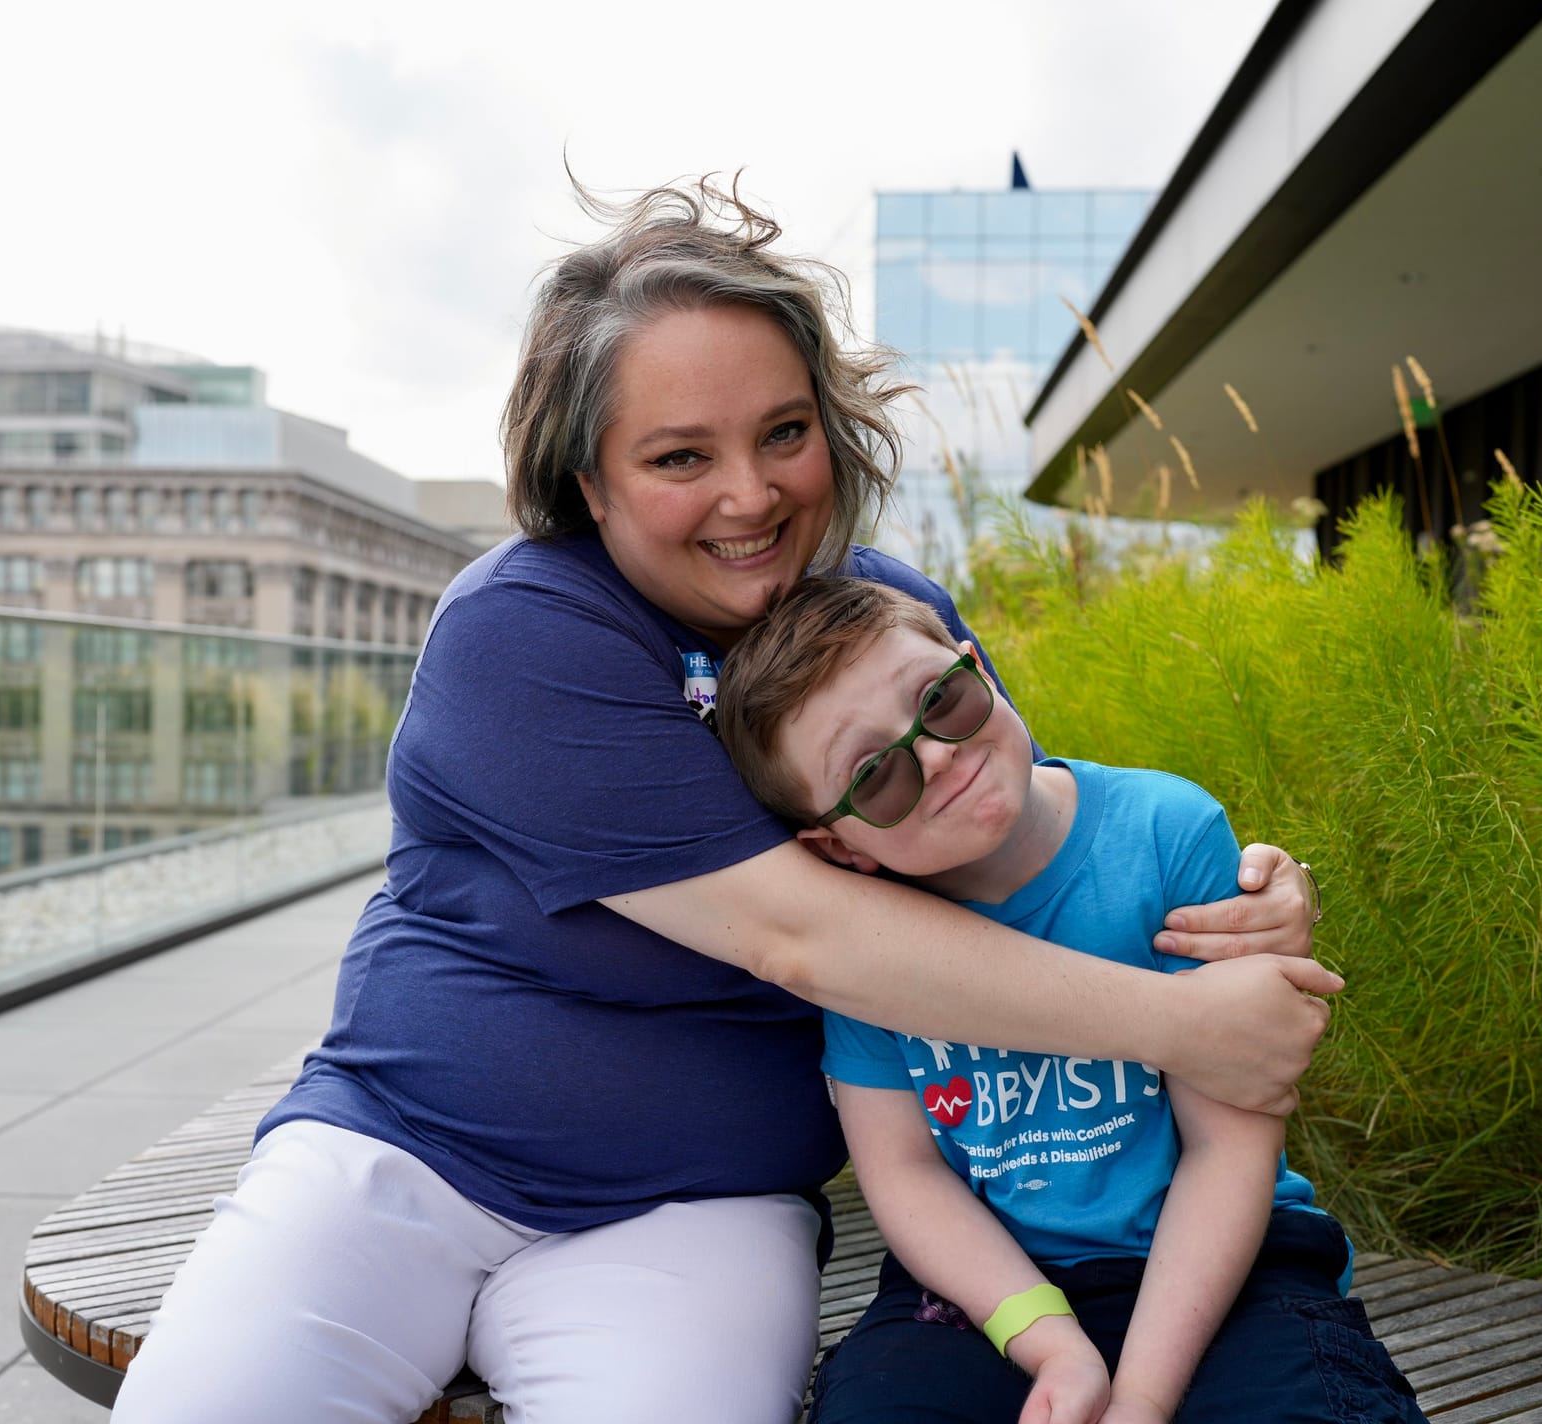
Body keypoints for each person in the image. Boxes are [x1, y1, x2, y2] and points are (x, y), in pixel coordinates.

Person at [110, 177, 1340, 1424]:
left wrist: (1234, 901)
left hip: (702, 1210)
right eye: (679, 456)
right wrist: (1187, 1023)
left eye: (784, 432)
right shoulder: (523, 630)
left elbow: (1005, 846)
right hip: (405, 1157)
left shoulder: (888, 609)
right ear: (588, 480)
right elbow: (795, 931)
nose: (749, 495)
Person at [715, 576, 1425, 1424]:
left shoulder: (1166, 833)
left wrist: (1142, 1402)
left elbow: (1226, 1150)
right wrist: (1045, 1338)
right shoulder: (863, 938)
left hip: (1222, 1266)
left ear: (977, 666)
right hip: (986, 1287)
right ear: (838, 848)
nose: (936, 755)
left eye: (941, 698)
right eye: (875, 774)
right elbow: (904, 1173)